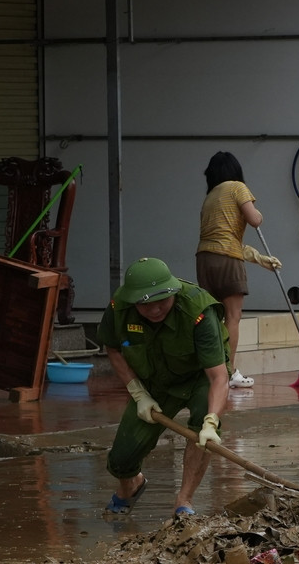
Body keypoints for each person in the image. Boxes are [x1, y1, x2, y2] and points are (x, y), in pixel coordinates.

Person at [97, 257, 230, 516]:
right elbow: (112, 349)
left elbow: (218, 377)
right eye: (147, 304)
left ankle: (184, 502)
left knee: (202, 430)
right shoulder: (119, 308)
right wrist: (138, 393)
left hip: (199, 377)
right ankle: (131, 484)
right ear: (134, 300)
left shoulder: (198, 311)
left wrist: (211, 422)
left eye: (162, 301)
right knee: (122, 457)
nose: (156, 309)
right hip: (155, 380)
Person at [195, 151, 281, 389]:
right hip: (227, 261)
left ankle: (212, 371)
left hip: (204, 259)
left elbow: (223, 238)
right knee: (233, 317)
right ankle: (228, 373)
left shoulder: (210, 196)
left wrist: (259, 258)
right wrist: (257, 212)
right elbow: (254, 220)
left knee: (213, 318)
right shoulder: (238, 187)